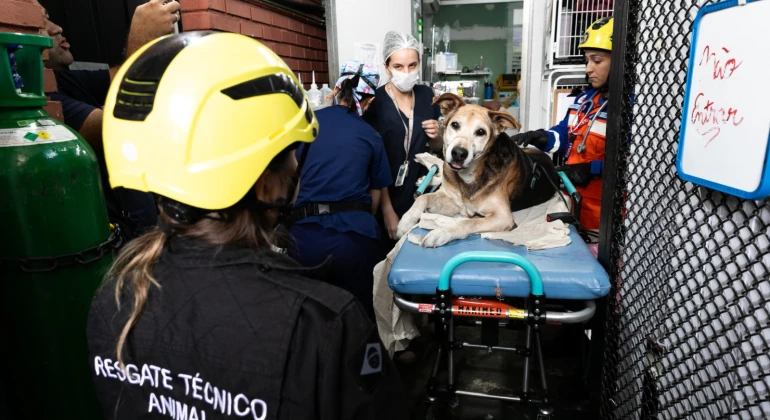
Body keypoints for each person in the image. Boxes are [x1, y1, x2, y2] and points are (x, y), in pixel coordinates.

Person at [86, 32, 407, 419]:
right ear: (265, 183)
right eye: (291, 155)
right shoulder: (323, 323)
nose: (296, 167)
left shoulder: (115, 295)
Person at [36, 0, 181, 240]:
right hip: (120, 242)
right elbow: (120, 125)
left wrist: (152, 46)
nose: (57, 28)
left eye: (50, 17)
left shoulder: (67, 80)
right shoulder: (44, 100)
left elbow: (120, 74)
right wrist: (141, 36)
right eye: (42, 22)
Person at [288, 61, 391, 320]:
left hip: (305, 239)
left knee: (309, 317)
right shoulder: (371, 135)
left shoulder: (306, 126)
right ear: (368, 101)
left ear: (335, 91)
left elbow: (290, 182)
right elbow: (374, 203)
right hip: (355, 239)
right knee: (358, 316)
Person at [514, 17, 613, 237]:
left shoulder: (632, 108)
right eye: (587, 60)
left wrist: (593, 169)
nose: (589, 68)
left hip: (604, 219)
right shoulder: (585, 100)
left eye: (597, 60)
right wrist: (541, 137)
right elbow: (565, 135)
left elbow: (634, 163)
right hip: (571, 203)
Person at [364, 31, 441, 248]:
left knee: (420, 249)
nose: (406, 72)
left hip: (420, 189)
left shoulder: (427, 95)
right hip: (386, 192)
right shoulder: (376, 101)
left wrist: (437, 136)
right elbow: (374, 160)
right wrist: (387, 209)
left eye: (412, 65)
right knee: (388, 253)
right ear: (387, 67)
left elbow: (434, 148)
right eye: (398, 66)